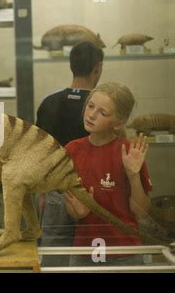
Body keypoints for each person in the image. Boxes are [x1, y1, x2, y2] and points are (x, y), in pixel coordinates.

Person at [64, 82, 153, 266]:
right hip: (83, 252)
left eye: (102, 113)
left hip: (124, 253)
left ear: (119, 123)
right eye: (90, 106)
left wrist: (133, 175)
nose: (91, 115)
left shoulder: (129, 152)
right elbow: (70, 204)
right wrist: (76, 211)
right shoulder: (72, 149)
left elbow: (142, 212)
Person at [36, 41, 104, 266]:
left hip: (55, 191)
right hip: (93, 193)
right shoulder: (102, 108)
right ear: (98, 68)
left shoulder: (48, 103)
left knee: (54, 256)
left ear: (70, 66)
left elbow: (39, 153)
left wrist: (43, 194)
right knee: (92, 259)